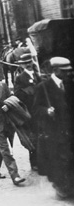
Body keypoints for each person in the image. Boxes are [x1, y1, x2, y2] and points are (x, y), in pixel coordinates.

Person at [32, 57, 74, 198]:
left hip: (69, 129)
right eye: (65, 71)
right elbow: (35, 109)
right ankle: (60, 186)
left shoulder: (69, 84)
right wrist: (46, 111)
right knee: (59, 159)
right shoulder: (43, 88)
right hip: (54, 131)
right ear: (55, 70)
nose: (69, 73)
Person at [13, 53, 41, 171]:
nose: (29, 64)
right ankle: (34, 163)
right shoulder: (20, 78)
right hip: (29, 112)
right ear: (22, 65)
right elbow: (17, 95)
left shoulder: (37, 75)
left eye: (30, 62)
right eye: (26, 63)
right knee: (33, 138)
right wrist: (30, 91)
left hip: (40, 111)